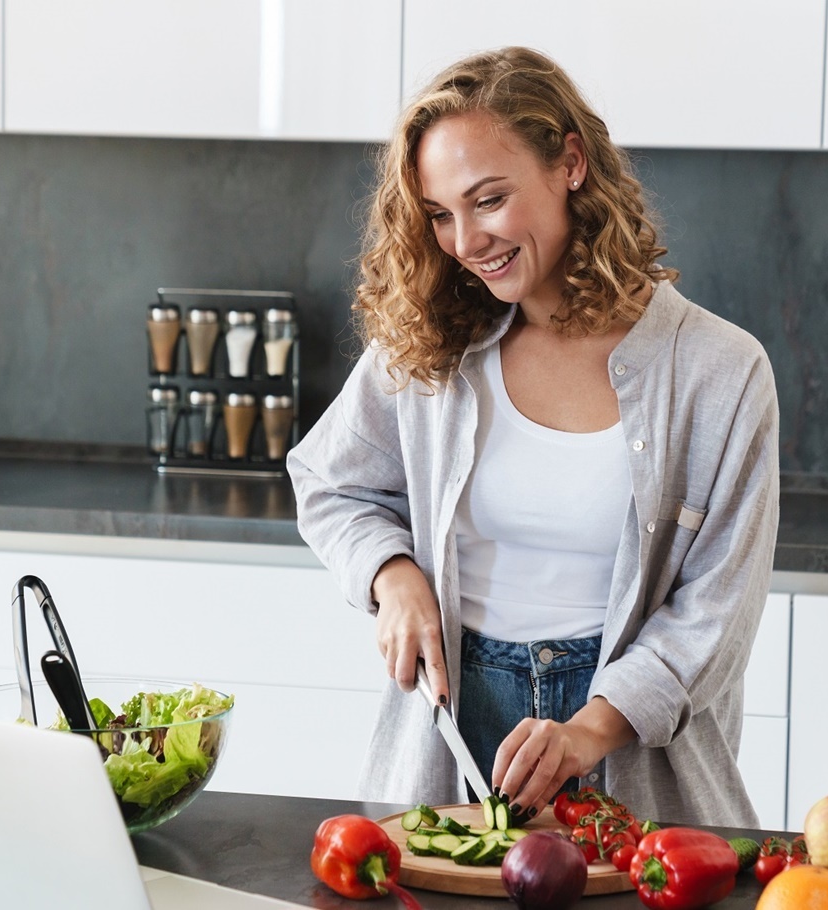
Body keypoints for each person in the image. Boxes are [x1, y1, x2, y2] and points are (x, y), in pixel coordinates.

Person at [286, 46, 778, 827]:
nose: (464, 241)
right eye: (440, 214)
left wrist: (588, 730)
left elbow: (714, 615)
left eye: (487, 200)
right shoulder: (431, 346)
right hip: (450, 735)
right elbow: (329, 480)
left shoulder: (719, 371)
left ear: (570, 164)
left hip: (625, 749)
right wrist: (391, 575)